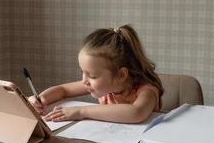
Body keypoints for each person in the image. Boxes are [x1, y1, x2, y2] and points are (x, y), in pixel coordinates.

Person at [28, 24, 163, 123]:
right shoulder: (101, 84)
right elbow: (63, 90)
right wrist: (41, 99)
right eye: (83, 72)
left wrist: (81, 111)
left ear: (121, 75)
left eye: (92, 76)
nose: (84, 80)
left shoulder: (146, 91)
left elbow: (136, 113)